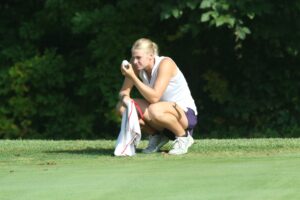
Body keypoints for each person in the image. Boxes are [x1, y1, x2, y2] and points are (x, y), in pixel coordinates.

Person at [116, 38, 197, 155]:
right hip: (159, 114)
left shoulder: (166, 63)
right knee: (122, 108)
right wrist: (126, 99)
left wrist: (133, 77)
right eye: (133, 57)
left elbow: (154, 97)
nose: (134, 61)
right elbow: (123, 92)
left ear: (151, 55)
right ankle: (157, 136)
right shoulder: (135, 66)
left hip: (185, 115)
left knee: (154, 109)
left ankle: (184, 137)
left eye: (138, 57)